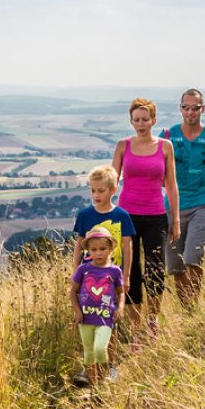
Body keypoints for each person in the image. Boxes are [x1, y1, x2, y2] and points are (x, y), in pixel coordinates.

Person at [112, 97, 179, 343]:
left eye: (145, 119)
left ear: (154, 120)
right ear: (131, 121)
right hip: (126, 216)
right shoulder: (122, 146)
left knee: (156, 270)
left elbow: (171, 184)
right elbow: (112, 181)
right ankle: (136, 327)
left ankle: (152, 320)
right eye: (136, 120)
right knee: (130, 271)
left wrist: (176, 220)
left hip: (156, 216)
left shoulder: (165, 147)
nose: (141, 124)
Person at [164, 88, 205, 306]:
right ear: (180, 108)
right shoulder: (168, 136)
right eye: (186, 108)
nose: (190, 112)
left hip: (203, 202)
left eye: (195, 108)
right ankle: (187, 308)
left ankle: (193, 304)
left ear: (203, 109)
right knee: (175, 264)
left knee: (194, 256)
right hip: (173, 205)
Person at [71, 165, 135, 385]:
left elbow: (127, 246)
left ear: (113, 190)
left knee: (110, 325)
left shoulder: (122, 216)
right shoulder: (85, 216)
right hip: (88, 280)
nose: (96, 196)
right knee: (86, 322)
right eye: (93, 191)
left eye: (101, 191)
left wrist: (126, 275)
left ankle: (111, 366)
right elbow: (79, 246)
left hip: (112, 279)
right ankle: (88, 368)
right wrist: (74, 273)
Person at [70, 226, 125, 386]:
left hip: (105, 318)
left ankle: (103, 378)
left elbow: (120, 292)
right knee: (88, 354)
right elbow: (73, 292)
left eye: (102, 248)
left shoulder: (115, 271)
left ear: (110, 249)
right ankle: (95, 388)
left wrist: (120, 307)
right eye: (93, 249)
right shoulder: (83, 269)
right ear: (88, 251)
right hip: (85, 318)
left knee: (100, 349)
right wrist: (77, 311)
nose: (98, 253)